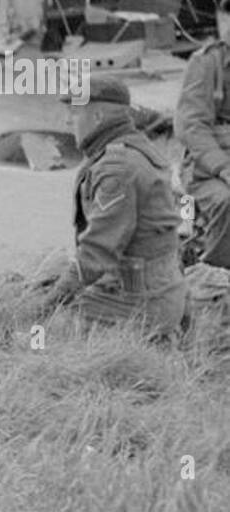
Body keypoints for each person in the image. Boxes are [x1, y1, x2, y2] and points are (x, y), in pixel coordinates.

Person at [36, 75, 185, 335]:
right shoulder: (131, 148)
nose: (68, 121)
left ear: (98, 118)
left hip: (141, 306)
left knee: (40, 328)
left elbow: (97, 252)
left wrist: (49, 304)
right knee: (46, 278)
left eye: (74, 113)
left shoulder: (118, 167)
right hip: (152, 291)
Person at [174, 0, 230, 266]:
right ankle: (215, 278)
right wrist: (223, 167)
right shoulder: (207, 63)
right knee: (225, 201)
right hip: (207, 169)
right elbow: (191, 126)